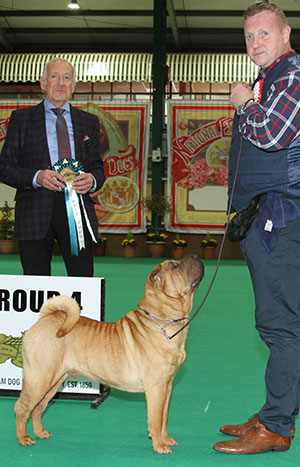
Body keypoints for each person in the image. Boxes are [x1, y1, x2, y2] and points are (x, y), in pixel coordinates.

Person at [213, 0, 300, 455]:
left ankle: (277, 427)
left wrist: (245, 102)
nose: (255, 42)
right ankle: (274, 412)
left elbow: (272, 134)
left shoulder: (291, 76)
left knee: (280, 325)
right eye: (249, 36)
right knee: (284, 322)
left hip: (281, 221)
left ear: (286, 36)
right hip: (268, 218)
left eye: (264, 33)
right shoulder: (272, 79)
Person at [0, 57, 106, 276]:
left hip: (78, 212)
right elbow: (5, 167)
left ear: (74, 86)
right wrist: (36, 177)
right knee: (36, 287)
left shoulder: (89, 122)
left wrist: (92, 180)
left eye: (67, 78)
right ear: (42, 83)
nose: (60, 83)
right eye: (54, 77)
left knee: (83, 283)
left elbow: (97, 166)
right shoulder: (21, 119)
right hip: (34, 212)